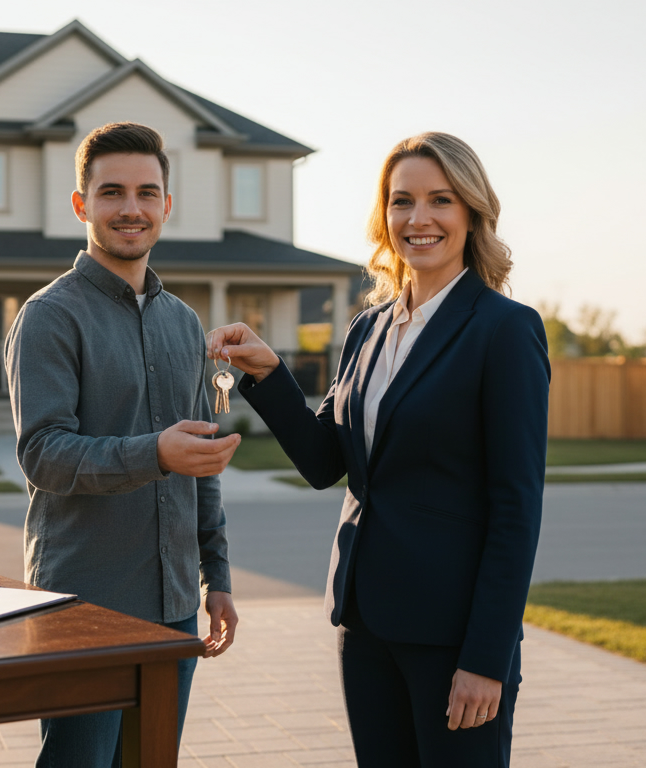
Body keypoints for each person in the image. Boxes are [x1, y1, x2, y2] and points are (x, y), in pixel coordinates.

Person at [207, 132, 548, 767]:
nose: (418, 219)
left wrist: (485, 659)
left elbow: (517, 510)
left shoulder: (505, 330)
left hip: (453, 640)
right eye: (401, 202)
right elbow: (326, 463)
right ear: (384, 215)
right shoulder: (367, 329)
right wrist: (268, 375)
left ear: (471, 212)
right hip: (364, 624)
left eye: (439, 200)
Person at [4, 121, 242, 768]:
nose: (131, 208)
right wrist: (154, 453)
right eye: (112, 192)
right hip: (85, 604)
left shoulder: (184, 321)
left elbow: (200, 460)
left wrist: (214, 577)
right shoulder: (49, 316)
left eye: (146, 192)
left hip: (173, 607)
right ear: (82, 204)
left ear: (167, 204)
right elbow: (44, 455)